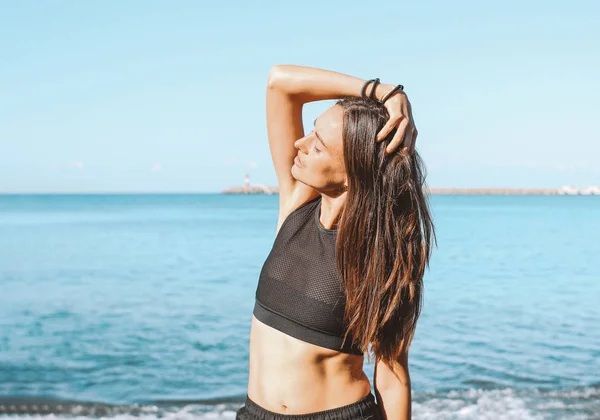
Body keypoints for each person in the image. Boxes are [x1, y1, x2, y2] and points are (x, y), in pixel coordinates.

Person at [236, 65, 435, 420]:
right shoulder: (296, 205)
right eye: (312, 131)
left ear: (352, 171)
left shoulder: (384, 256)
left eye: (318, 145)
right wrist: (383, 91)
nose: (300, 143)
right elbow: (279, 83)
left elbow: (391, 374)